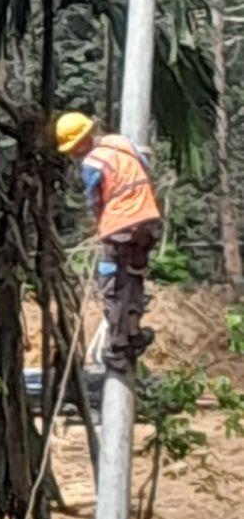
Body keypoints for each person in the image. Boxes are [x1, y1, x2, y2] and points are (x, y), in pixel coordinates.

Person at [56, 111, 162, 373]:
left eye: (73, 148)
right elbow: (144, 169)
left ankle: (118, 347)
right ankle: (133, 331)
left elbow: (95, 199)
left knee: (113, 284)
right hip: (148, 221)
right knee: (133, 279)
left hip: (120, 226)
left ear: (81, 141)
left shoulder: (92, 162)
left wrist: (99, 224)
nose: (73, 153)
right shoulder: (121, 142)